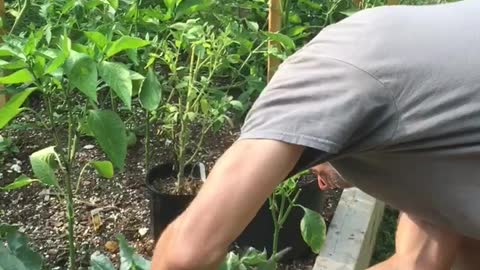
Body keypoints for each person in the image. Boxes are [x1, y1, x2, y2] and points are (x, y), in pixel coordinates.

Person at [151, 0, 480, 269]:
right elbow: (420, 260)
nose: (319, 182)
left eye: (313, 168)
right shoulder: (424, 110)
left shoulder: (311, 91)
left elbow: (182, 257)